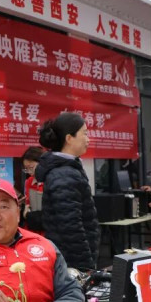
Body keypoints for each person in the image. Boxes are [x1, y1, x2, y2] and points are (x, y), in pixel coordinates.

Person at [35, 113, 99, 270]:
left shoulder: (68, 168)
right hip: (72, 263)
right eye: (84, 133)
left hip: (71, 259)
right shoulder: (64, 174)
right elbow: (71, 227)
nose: (88, 139)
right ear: (69, 138)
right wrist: (86, 266)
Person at [21, 146, 45, 233]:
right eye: (26, 169)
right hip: (32, 227)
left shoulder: (51, 180)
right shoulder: (29, 181)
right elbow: (28, 204)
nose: (29, 172)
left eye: (31, 168)